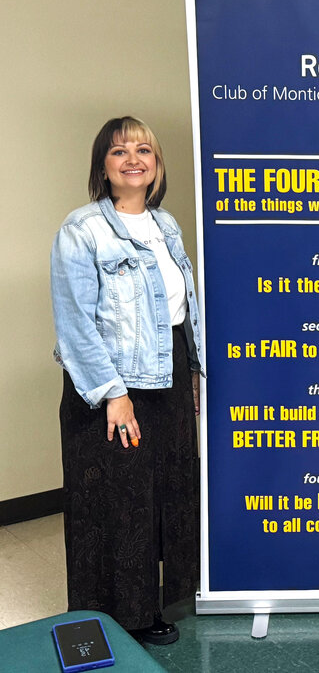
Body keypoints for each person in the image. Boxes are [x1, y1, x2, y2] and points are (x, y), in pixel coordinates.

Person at [51, 117, 204, 645]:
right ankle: (124, 619)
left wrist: (194, 372)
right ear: (103, 167)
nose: (133, 159)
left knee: (163, 495)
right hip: (112, 388)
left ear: (156, 164)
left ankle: (151, 601)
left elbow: (182, 311)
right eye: (120, 152)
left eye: (144, 149)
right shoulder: (82, 228)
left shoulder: (167, 226)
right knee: (117, 504)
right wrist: (114, 395)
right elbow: (75, 323)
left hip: (169, 377)